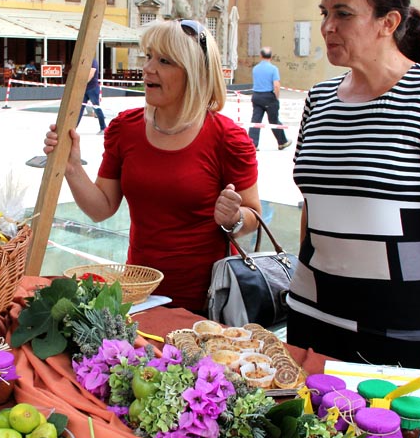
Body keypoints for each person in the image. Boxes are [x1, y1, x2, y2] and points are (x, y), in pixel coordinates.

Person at [287, 0, 420, 384]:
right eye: (325, 13)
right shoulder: (318, 100)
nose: (327, 27)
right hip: (312, 319)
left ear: (387, 22)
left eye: (343, 14)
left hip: (401, 330)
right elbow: (313, 207)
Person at [44, 19, 261, 313]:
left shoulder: (228, 138)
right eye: (148, 56)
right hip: (139, 296)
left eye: (164, 60)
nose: (147, 68)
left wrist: (234, 216)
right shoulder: (125, 128)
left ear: (194, 72)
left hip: (208, 301)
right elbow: (101, 207)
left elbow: (253, 216)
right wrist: (71, 167)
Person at [248, 47, 291, 150]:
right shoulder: (273, 69)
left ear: (261, 56)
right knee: (274, 120)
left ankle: (252, 144)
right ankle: (282, 142)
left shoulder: (255, 69)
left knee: (255, 121)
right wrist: (276, 97)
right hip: (269, 96)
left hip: (257, 96)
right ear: (271, 57)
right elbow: (276, 85)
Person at [77, 57, 107, 133]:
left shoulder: (93, 61)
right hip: (84, 89)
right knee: (80, 109)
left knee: (96, 108)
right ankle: (74, 128)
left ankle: (103, 128)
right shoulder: (83, 61)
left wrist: (83, 83)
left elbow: (91, 73)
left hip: (92, 88)